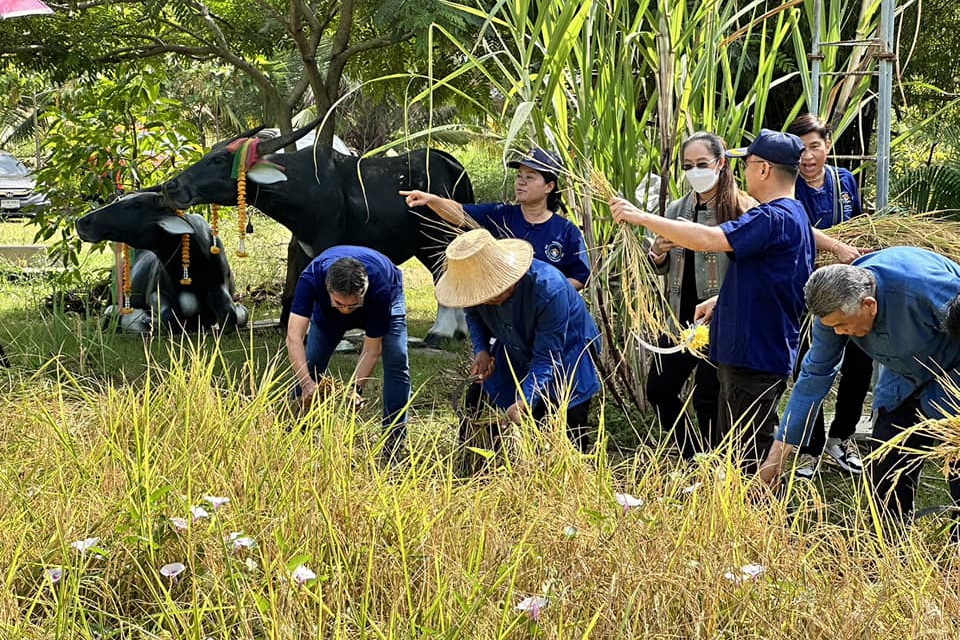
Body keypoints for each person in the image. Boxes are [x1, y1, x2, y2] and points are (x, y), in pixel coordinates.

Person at [610, 129, 817, 472]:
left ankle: (762, 519)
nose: (743, 172)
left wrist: (640, 216)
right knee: (738, 446)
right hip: (751, 344)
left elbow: (708, 240)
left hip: (753, 352)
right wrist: (722, 299)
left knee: (748, 454)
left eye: (747, 164)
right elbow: (769, 281)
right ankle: (724, 491)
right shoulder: (791, 216)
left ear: (763, 169)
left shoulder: (769, 216)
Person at [760, 248, 960, 523]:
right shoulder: (832, 315)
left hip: (953, 374)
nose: (840, 333)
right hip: (902, 378)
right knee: (886, 467)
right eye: (834, 328)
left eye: (843, 325)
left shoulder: (926, 287)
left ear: (869, 304)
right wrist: (775, 461)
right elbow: (812, 379)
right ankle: (890, 544)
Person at [434, 228, 601, 459]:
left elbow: (546, 357)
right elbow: (473, 315)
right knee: (478, 401)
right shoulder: (472, 288)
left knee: (563, 424)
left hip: (567, 353)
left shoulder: (549, 289)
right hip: (513, 345)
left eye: (491, 295)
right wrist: (481, 349)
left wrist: (524, 399)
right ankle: (481, 469)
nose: (485, 300)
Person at [645, 131, 758, 459]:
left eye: (702, 164)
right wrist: (658, 254)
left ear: (721, 163)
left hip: (721, 317)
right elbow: (661, 267)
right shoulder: (677, 209)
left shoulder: (744, 209)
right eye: (687, 165)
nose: (695, 172)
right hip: (680, 317)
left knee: (709, 396)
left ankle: (716, 463)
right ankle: (693, 455)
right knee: (660, 389)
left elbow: (754, 268)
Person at [785, 114, 872, 478]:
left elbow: (861, 223)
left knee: (860, 363)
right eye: (801, 149)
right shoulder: (787, 186)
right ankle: (810, 447)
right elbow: (795, 226)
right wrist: (834, 245)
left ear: (827, 147)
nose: (808, 157)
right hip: (808, 292)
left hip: (850, 290)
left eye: (815, 147)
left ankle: (842, 437)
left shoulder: (844, 181)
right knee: (810, 366)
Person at [401, 148, 590, 290]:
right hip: (504, 316)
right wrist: (432, 200)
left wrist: (545, 292)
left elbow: (580, 277)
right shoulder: (500, 215)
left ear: (549, 186)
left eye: (530, 177)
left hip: (549, 317)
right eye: (519, 176)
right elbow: (459, 213)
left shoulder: (565, 231)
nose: (521, 182)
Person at [286, 246, 411, 456]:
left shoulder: (380, 289)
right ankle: (295, 432)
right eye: (340, 304)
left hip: (386, 294)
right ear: (327, 289)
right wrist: (307, 383)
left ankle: (394, 441)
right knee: (312, 361)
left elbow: (372, 350)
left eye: (351, 306)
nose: (345, 310)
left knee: (396, 358)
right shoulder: (311, 278)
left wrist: (355, 388)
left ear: (364, 292)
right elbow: (294, 338)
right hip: (327, 313)